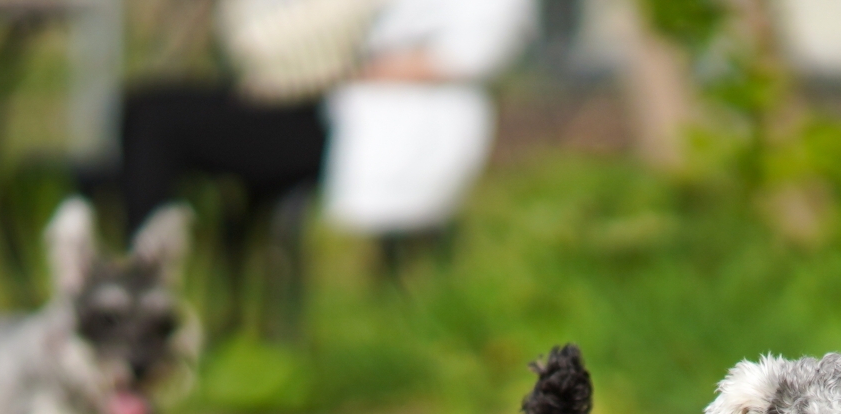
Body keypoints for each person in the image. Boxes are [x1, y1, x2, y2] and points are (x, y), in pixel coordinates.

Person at [121, 0, 535, 239]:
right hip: (324, 102)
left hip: (376, 123)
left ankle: (143, 265)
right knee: (147, 107)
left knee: (156, 120)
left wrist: (344, 70)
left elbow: (473, 52)